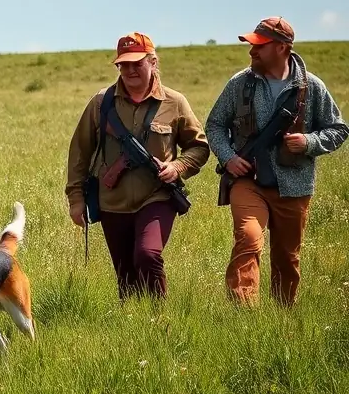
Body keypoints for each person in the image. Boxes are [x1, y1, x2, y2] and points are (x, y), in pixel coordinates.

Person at [204, 16, 347, 307]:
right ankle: (244, 317)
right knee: (248, 239)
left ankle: (282, 319)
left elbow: (339, 129)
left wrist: (309, 143)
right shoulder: (239, 84)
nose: (252, 52)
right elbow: (215, 124)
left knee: (287, 258)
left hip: (293, 186)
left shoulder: (312, 87)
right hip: (248, 181)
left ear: (282, 47)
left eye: (260, 46)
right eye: (252, 45)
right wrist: (228, 157)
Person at [66, 32, 209, 300]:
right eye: (124, 64)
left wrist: (177, 167)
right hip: (112, 201)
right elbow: (79, 154)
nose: (130, 70)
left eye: (137, 63)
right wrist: (76, 200)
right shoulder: (101, 103)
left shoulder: (175, 102)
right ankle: (133, 324)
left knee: (147, 254)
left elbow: (199, 147)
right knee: (126, 276)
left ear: (153, 62)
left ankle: (159, 318)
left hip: (157, 196)